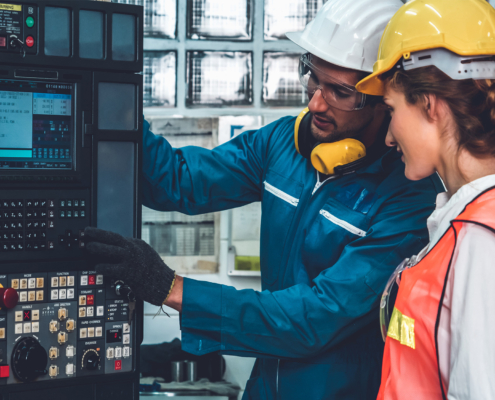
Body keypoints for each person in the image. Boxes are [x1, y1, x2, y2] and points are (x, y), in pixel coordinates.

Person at [84, 0, 443, 398]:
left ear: (385, 99)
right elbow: (177, 180)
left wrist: (170, 287)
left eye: (340, 92)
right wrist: (114, 93)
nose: (316, 103)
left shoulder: (410, 199)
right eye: (313, 78)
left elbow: (316, 317)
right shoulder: (281, 144)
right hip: (264, 387)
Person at [355, 0, 495, 398]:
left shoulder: (481, 241)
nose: (387, 136)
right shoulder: (462, 223)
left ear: (429, 105)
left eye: (391, 109)